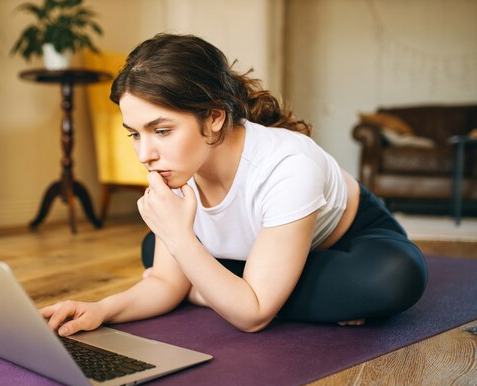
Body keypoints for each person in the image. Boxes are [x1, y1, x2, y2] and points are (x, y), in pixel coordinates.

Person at [40, 33, 428, 336]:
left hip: (348, 243)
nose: (145, 154)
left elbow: (253, 317)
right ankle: (254, 284)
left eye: (160, 130)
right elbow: (162, 281)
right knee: (156, 250)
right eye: (135, 134)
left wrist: (191, 276)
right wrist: (100, 309)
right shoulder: (173, 163)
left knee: (394, 277)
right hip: (259, 254)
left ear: (213, 117)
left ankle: (233, 282)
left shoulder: (289, 163)